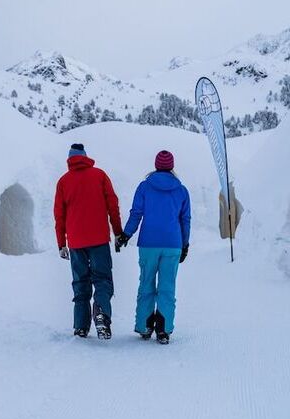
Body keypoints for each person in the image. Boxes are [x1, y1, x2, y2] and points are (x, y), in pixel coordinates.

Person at [115, 150, 190, 344]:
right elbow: (185, 220)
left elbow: (136, 213)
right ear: (172, 167)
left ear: (156, 165)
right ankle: (164, 330)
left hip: (148, 244)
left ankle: (145, 326)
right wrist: (184, 244)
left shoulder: (144, 187)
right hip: (173, 244)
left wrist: (126, 234)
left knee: (146, 283)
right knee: (167, 287)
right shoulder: (181, 190)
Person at [54, 143, 123, 339]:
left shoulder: (63, 182)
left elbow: (59, 215)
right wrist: (117, 232)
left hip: (76, 243)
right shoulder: (99, 175)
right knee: (102, 279)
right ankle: (101, 313)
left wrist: (61, 243)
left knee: (80, 282)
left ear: (69, 159)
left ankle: (80, 326)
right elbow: (113, 204)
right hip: (99, 239)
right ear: (85, 156)